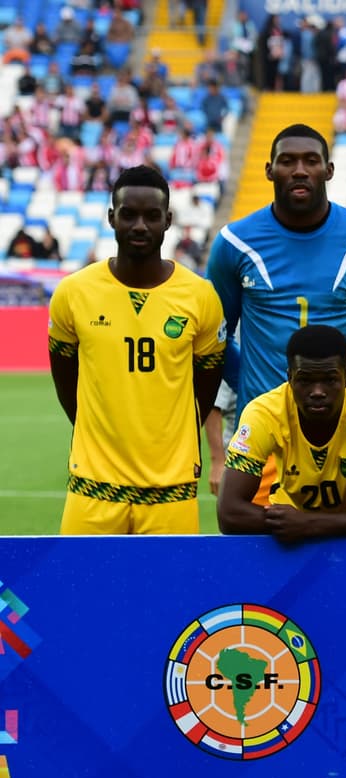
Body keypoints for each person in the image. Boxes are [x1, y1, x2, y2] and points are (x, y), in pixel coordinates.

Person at [48, 166, 225, 534]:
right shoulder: (73, 292)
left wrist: (177, 437)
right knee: (81, 591)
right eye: (129, 214)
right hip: (92, 484)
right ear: (112, 217)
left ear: (168, 220)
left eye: (151, 216)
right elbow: (65, 380)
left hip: (171, 487)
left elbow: (207, 383)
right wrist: (93, 434)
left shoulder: (200, 296)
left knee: (170, 593)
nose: (140, 225)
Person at [208, 123, 346, 415]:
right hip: (264, 422)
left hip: (343, 421)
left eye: (311, 161)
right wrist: (249, 384)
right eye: (287, 161)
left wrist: (345, 382)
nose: (299, 170)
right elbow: (216, 335)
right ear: (269, 170)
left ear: (329, 170)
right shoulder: (234, 242)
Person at [217, 325, 346, 541]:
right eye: (305, 380)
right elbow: (229, 512)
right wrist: (297, 525)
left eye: (330, 380)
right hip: (298, 540)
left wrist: (311, 525)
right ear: (290, 378)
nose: (318, 392)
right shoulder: (264, 413)